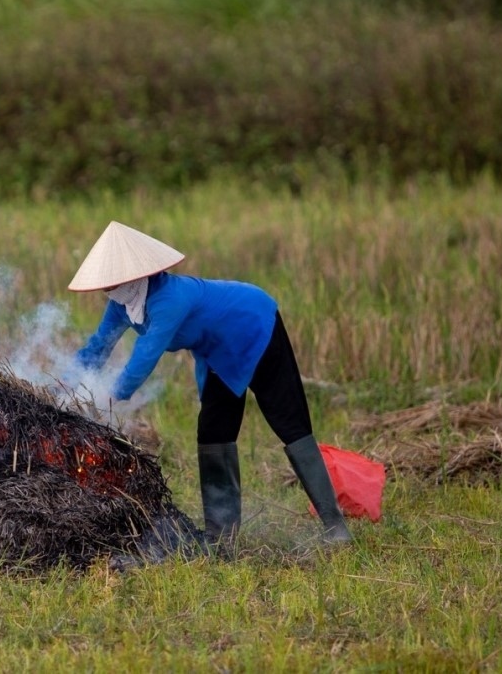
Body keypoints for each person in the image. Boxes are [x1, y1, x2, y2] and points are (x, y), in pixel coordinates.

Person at [67, 221, 351, 553]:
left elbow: (144, 358)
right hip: (218, 350)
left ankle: (336, 528)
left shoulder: (169, 299)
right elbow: (97, 346)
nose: (108, 290)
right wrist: (66, 386)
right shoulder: (121, 306)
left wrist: (111, 399)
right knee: (214, 430)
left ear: (134, 276)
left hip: (256, 326)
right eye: (106, 284)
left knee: (288, 421)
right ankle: (221, 539)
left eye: (113, 283)